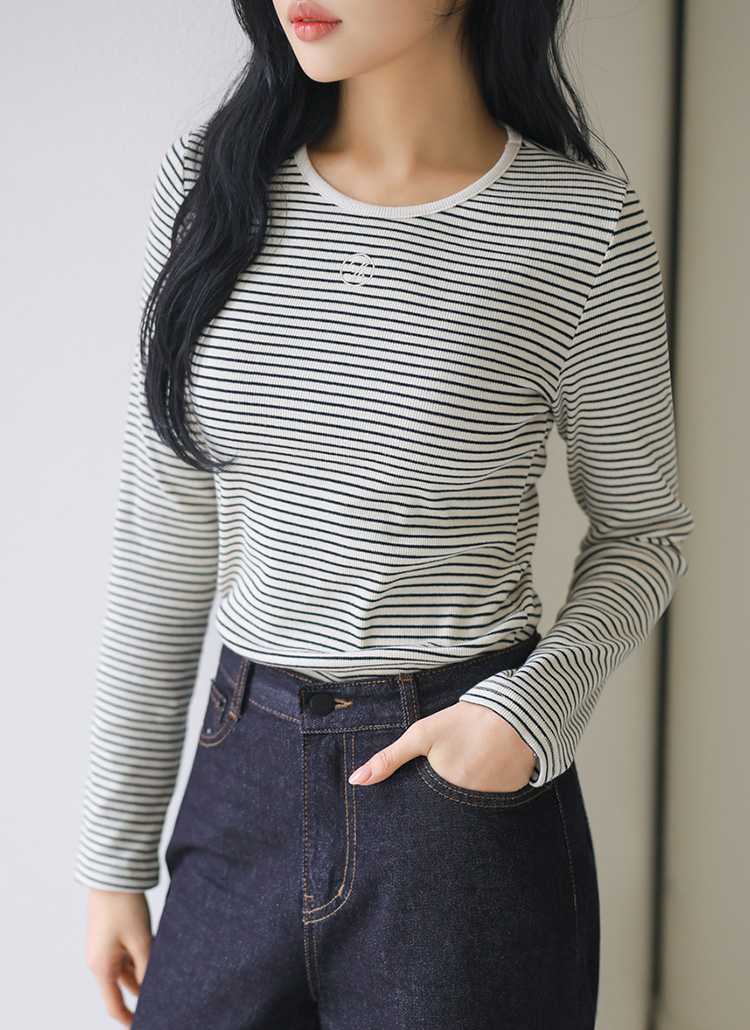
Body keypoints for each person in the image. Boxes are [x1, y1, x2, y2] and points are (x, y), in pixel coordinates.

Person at [75, 1, 695, 1027]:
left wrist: (526, 715)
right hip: (240, 779)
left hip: (457, 805)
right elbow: (163, 540)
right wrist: (115, 856)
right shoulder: (209, 187)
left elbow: (645, 534)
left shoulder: (580, 226)